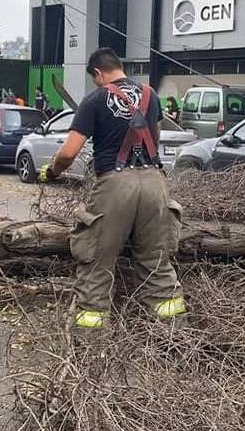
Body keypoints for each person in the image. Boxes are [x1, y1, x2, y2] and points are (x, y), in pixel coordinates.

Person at [38, 47, 185, 330]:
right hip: (155, 184)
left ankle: (91, 349)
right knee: (157, 265)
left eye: (95, 78)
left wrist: (52, 171)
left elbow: (68, 153)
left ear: (97, 73)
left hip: (116, 186)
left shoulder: (94, 100)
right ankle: (175, 341)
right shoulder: (150, 95)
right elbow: (153, 138)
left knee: (97, 266)